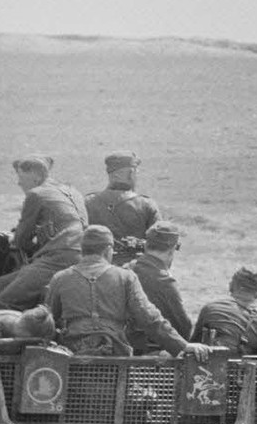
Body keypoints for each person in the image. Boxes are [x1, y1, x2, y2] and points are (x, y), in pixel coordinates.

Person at [46, 226, 210, 359]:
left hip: (72, 356)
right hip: (115, 355)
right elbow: (149, 318)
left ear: (82, 250)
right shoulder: (125, 277)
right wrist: (182, 345)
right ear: (108, 250)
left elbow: (49, 321)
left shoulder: (60, 278)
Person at [0, 156, 86, 311]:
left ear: (35, 176)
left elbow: (20, 241)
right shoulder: (73, 192)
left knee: (3, 301)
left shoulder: (36, 194)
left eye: (21, 177)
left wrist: (18, 239)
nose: (19, 183)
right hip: (80, 254)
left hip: (57, 259)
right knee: (0, 284)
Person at [191, 267, 257, 359]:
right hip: (246, 369)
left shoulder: (210, 308)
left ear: (230, 286)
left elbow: (195, 343)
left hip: (210, 368)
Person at [85, 151, 162, 265]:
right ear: (131, 174)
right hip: (135, 271)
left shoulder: (87, 202)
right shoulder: (146, 205)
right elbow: (161, 245)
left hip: (96, 269)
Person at [128, 222, 192, 351]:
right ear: (172, 250)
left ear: (146, 245)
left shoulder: (127, 270)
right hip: (148, 352)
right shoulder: (164, 282)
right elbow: (183, 327)